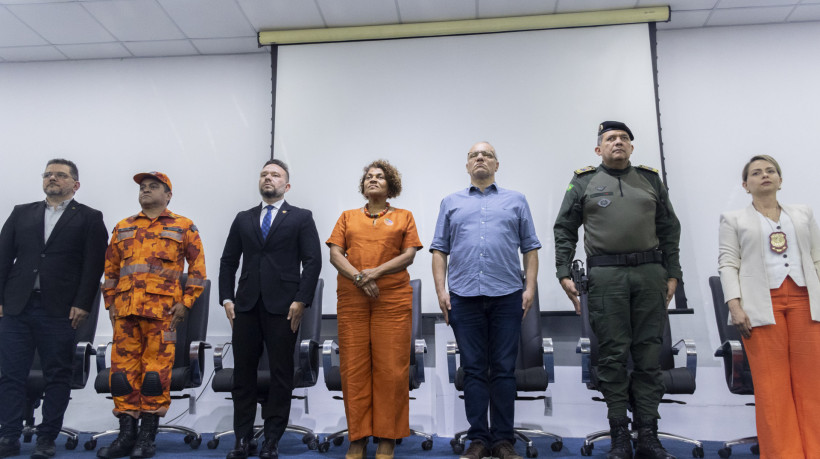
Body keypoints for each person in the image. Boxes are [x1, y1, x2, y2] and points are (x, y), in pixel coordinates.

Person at [553, 121, 681, 459]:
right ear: (599, 150)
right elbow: (564, 228)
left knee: (648, 355)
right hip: (606, 276)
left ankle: (649, 434)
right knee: (611, 356)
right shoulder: (583, 182)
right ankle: (619, 435)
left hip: (650, 273)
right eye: (610, 139)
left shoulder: (650, 179)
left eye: (624, 138)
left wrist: (674, 274)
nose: (618, 142)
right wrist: (563, 270)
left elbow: (669, 229)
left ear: (632, 147)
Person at [431, 141, 540, 459]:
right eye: (473, 155)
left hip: (507, 296)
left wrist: (529, 288)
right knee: (475, 370)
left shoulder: (516, 200)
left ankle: (504, 441)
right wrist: (441, 290)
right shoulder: (450, 202)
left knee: (504, 370)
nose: (480, 158)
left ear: (496, 164)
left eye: (487, 154)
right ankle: (478, 439)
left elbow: (530, 248)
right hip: (464, 297)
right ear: (467, 166)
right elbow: (440, 250)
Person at [0, 159, 107, 459]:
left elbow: (93, 265)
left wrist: (83, 304)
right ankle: (8, 436)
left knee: (57, 375)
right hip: (17, 307)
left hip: (59, 309)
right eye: (48, 174)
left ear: (75, 184)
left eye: (60, 175)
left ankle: (47, 438)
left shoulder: (89, 217)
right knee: (10, 374)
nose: (52, 179)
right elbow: (3, 257)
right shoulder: (22, 213)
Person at [98, 171, 206, 459]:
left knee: (154, 376)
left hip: (163, 314)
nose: (145, 190)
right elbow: (110, 271)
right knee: (122, 375)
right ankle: (125, 436)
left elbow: (198, 270)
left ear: (168, 194)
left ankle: (146, 438)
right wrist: (110, 304)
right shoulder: (123, 227)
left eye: (153, 187)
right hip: (125, 312)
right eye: (143, 187)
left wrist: (186, 302)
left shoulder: (184, 227)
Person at [718, 155, 820, 458]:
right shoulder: (733, 219)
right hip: (762, 306)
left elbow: (817, 258)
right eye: (757, 173)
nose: (765, 175)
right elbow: (728, 264)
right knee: (773, 389)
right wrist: (735, 307)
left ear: (780, 179)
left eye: (771, 171)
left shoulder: (802, 214)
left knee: (812, 384)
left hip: (804, 302)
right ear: (745, 184)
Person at [219, 159, 322, 459]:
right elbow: (228, 261)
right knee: (243, 375)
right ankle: (242, 438)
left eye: (275, 175)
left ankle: (272, 440)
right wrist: (227, 298)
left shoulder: (301, 217)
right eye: (264, 174)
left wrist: (301, 300)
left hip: (284, 307)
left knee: (280, 373)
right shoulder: (243, 218)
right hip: (246, 306)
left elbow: (312, 262)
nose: (268, 178)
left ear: (286, 185)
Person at [326, 159, 422, 459]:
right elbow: (334, 254)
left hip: (391, 301)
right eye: (368, 176)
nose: (373, 180)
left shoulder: (404, 216)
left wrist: (374, 274)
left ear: (390, 184)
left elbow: (408, 256)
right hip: (353, 300)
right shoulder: (347, 217)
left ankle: (387, 437)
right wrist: (359, 277)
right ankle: (358, 437)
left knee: (391, 370)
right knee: (353, 368)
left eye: (379, 176)